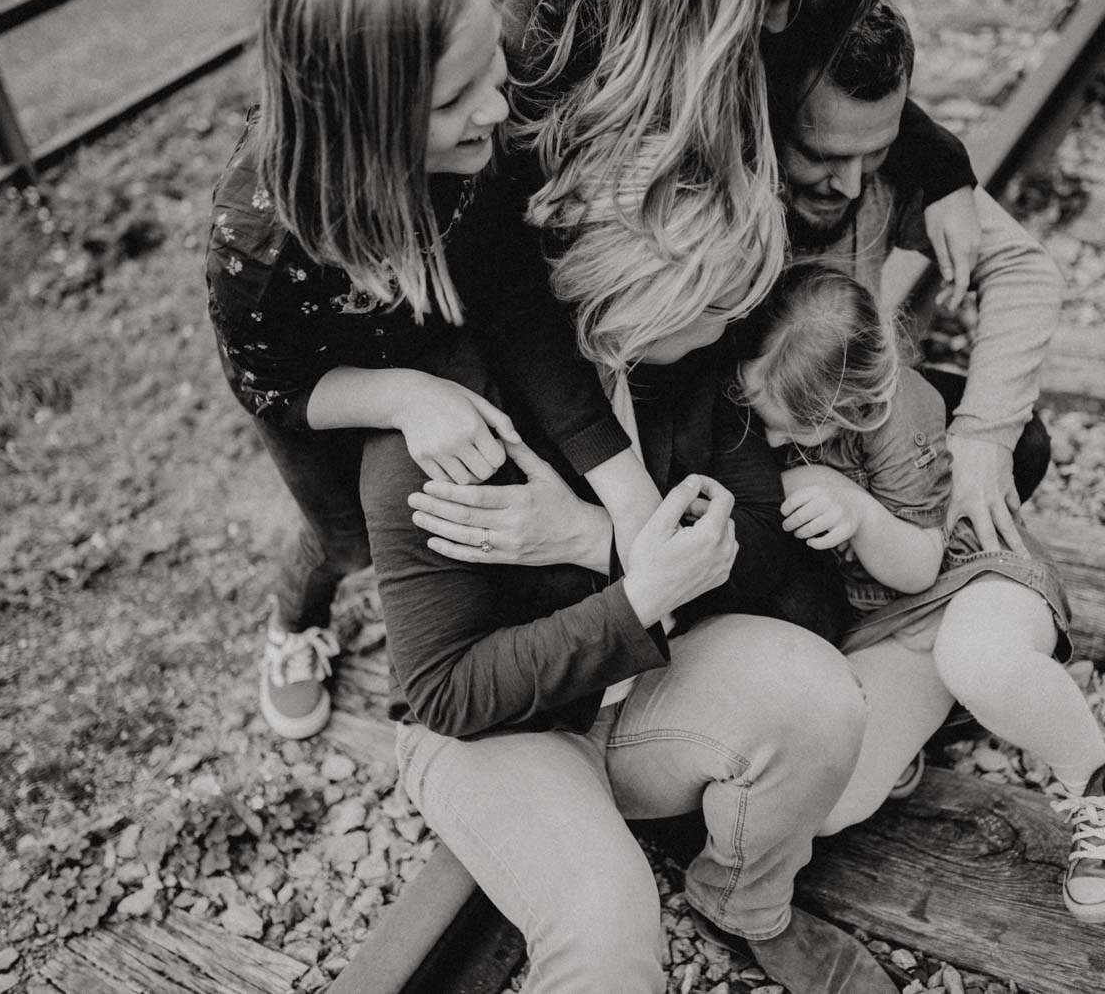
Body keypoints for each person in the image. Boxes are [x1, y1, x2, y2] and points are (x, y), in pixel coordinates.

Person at [381, 170, 900, 993]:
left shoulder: (683, 371)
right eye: (717, 306)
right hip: (507, 734)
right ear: (644, 300)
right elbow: (446, 692)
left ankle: (742, 904)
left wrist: (597, 541)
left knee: (820, 696)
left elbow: (763, 544)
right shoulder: (449, 421)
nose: (737, 322)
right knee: (609, 930)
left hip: (643, 695)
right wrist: (640, 594)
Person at [203, 0, 660, 741]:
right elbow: (268, 385)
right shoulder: (260, 245)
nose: (495, 106)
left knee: (459, 477)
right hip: (327, 389)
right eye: (452, 100)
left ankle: (466, 606)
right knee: (346, 539)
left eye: (493, 67)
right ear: (356, 122)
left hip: (436, 329)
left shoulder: (483, 135)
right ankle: (296, 623)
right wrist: (405, 396)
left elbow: (519, 306)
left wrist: (624, 492)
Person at [738, 263, 1105, 924]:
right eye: (764, 418)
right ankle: (927, 723)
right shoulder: (776, 390)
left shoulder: (903, 411)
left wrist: (860, 512)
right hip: (888, 625)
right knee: (823, 802)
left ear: (856, 406)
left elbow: (921, 568)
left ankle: (1097, 784)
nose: (775, 440)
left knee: (979, 660)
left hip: (972, 575)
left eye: (792, 428)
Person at [505, 0, 987, 315]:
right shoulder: (563, 3)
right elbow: (519, 222)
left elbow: (836, 100)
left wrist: (943, 169)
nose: (778, 24)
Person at [762, 0, 1062, 554]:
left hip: (847, 432)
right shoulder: (725, 182)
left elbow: (1024, 269)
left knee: (1022, 444)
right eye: (821, 154)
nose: (850, 186)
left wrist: (983, 439)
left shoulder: (904, 168)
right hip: (752, 447)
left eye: (875, 152)